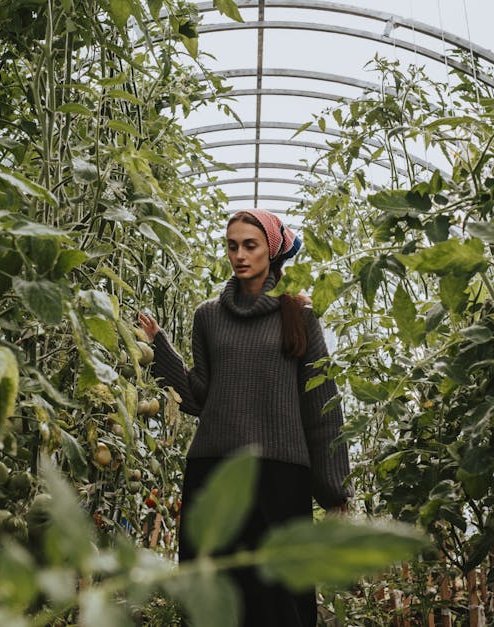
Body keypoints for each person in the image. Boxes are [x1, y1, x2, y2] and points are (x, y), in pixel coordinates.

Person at [137, 208, 351, 626]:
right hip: (214, 470)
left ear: (271, 251)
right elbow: (199, 398)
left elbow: (321, 403)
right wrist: (159, 347)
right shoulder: (208, 316)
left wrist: (333, 491)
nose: (239, 254)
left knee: (281, 599)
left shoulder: (299, 315)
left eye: (250, 245)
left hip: (280, 476)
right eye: (232, 245)